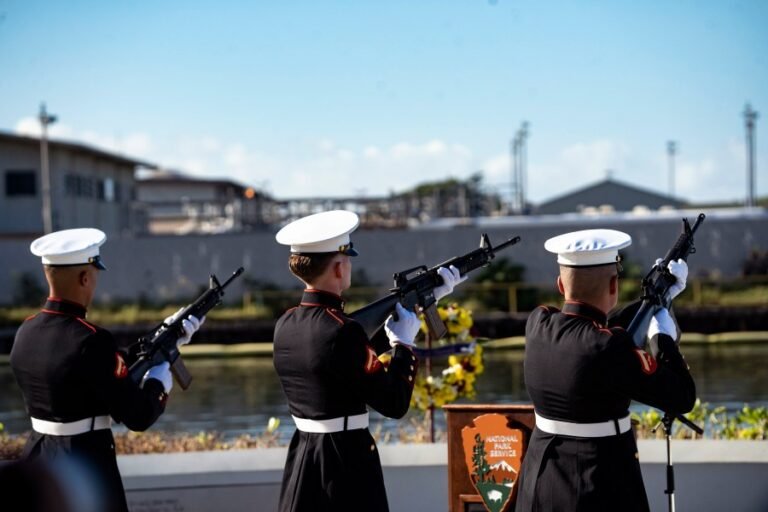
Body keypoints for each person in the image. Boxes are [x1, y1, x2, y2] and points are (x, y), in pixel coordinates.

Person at [272, 210, 465, 512]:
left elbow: (344, 355)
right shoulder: (342, 331)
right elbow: (394, 403)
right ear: (338, 267)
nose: (349, 264)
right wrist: (403, 345)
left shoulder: (286, 324)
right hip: (344, 464)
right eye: (347, 258)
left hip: (304, 458)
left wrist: (426, 300)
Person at [9, 228, 203, 512]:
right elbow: (138, 415)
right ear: (85, 278)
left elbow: (92, 368)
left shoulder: (27, 331)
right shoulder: (91, 339)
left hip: (38, 459)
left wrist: (160, 336)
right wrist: (158, 385)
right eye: (95, 272)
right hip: (83, 463)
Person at [515, 229, 696, 512]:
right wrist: (663, 340)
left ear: (560, 286)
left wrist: (656, 298)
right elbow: (682, 397)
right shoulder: (610, 349)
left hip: (541, 483)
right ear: (614, 286)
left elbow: (600, 328)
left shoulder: (538, 323)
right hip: (599, 485)